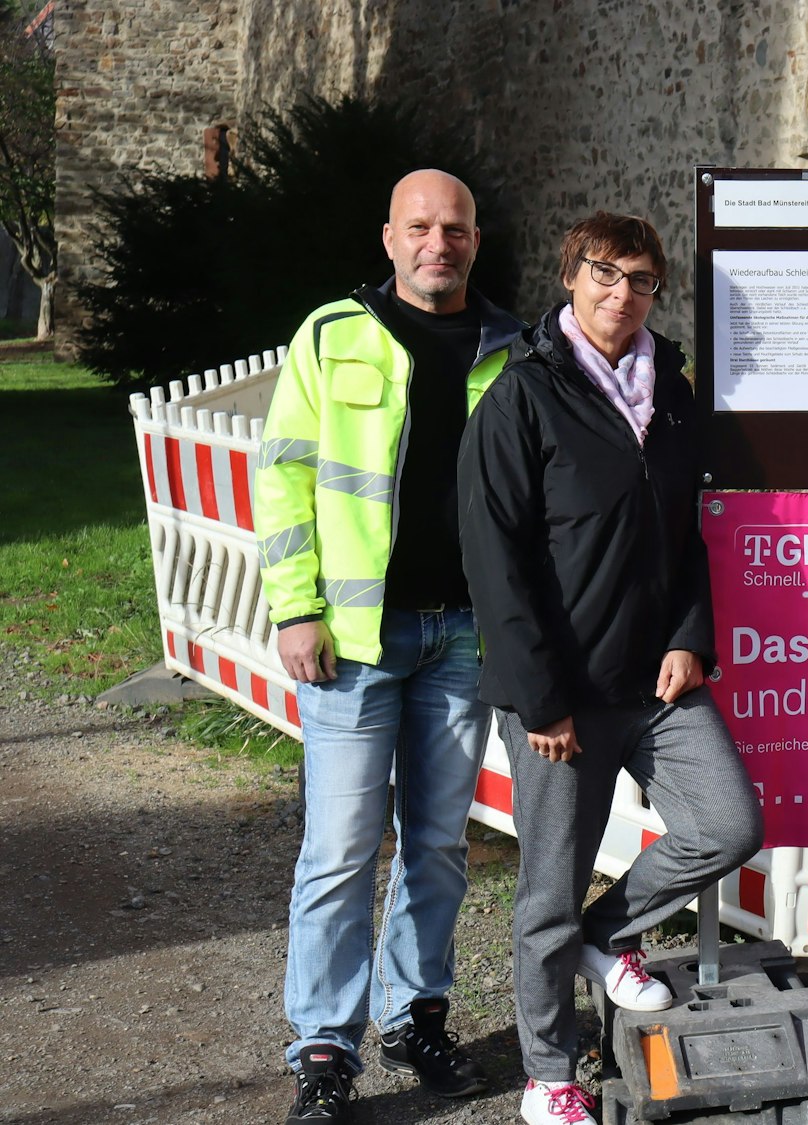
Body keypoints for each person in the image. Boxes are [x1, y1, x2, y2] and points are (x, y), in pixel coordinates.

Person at [459, 211, 765, 1125]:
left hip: (656, 681)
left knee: (728, 822)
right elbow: (494, 560)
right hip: (563, 695)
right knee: (548, 892)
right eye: (604, 272)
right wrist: (540, 699)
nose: (621, 294)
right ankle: (548, 1074)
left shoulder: (670, 394)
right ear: (570, 275)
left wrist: (689, 636)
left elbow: (687, 532)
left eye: (640, 280)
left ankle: (606, 935)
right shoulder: (521, 395)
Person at [255, 169, 524, 1125]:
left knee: (439, 846)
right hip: (355, 641)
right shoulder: (333, 334)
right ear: (389, 238)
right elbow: (283, 477)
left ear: (476, 241)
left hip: (463, 636)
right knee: (338, 850)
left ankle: (415, 1016)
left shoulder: (512, 349)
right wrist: (295, 607)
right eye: (419, 227)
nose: (436, 243)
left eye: (454, 229)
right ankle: (325, 1049)